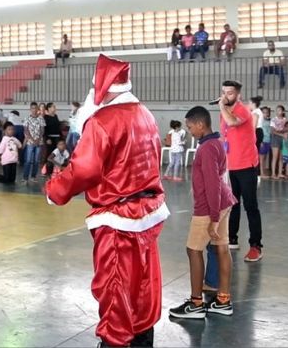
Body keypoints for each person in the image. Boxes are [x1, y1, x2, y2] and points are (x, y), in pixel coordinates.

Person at [45, 54, 167, 348]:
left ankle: (114, 343)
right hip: (148, 214)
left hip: (118, 219)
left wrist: (55, 189)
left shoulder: (103, 121)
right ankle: (142, 341)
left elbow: (85, 168)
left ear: (102, 88)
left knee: (115, 289)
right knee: (143, 288)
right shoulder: (145, 115)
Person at [169, 106, 235, 320]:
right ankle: (223, 300)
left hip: (210, 207)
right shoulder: (216, 142)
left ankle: (196, 303)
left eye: (190, 127)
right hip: (224, 202)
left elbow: (213, 184)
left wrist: (213, 218)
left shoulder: (206, 148)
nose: (189, 131)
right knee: (222, 248)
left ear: (200, 124)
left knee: (193, 250)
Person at [218, 80, 263, 262]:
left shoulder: (243, 110)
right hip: (231, 166)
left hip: (247, 166)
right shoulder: (224, 112)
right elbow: (224, 136)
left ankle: (256, 246)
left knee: (250, 207)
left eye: (229, 93)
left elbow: (232, 122)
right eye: (224, 92)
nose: (225, 96)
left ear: (238, 95)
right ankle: (232, 238)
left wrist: (221, 107)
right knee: (233, 204)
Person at [22, 102, 45, 184]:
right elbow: (26, 130)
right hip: (30, 142)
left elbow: (42, 130)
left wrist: (38, 140)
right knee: (28, 160)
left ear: (37, 109)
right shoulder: (27, 118)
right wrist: (32, 139)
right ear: (30, 109)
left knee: (36, 160)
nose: (34, 110)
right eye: (32, 108)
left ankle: (33, 176)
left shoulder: (41, 118)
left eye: (35, 108)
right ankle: (25, 178)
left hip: (39, 142)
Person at [270, 105, 287, 179]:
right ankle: (273, 174)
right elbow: (272, 131)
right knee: (275, 157)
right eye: (277, 110)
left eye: (280, 110)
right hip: (275, 138)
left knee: (281, 157)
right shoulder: (273, 120)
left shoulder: (284, 119)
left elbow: (285, 129)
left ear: (283, 111)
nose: (278, 112)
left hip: (282, 138)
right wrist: (281, 134)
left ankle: (280, 173)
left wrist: (284, 133)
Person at [259, 106, 272, 178]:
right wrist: (260, 141)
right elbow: (258, 132)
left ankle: (263, 172)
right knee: (261, 158)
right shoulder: (260, 121)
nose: (265, 114)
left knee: (265, 158)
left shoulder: (269, 120)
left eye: (267, 112)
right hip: (263, 141)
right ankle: (261, 173)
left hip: (268, 140)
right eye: (263, 112)